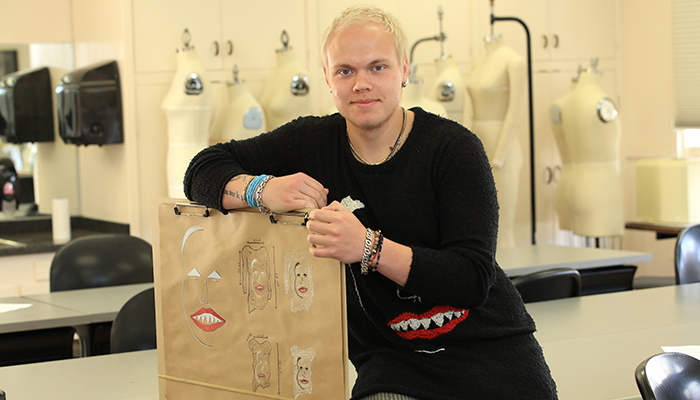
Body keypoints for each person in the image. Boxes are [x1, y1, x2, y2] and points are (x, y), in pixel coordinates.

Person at [184, 5, 557, 400]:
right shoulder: (311, 141)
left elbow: (472, 278)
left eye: (378, 67)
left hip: (494, 355)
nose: (361, 83)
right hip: (393, 363)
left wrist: (368, 248)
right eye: (345, 71)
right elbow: (201, 170)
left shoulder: (454, 149)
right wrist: (261, 189)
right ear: (328, 78)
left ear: (404, 70)